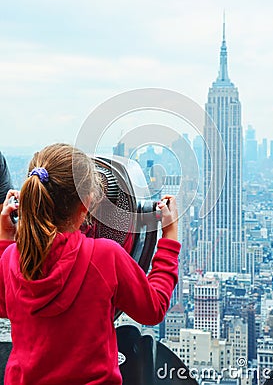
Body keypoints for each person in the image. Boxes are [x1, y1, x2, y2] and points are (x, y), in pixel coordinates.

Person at [0, 143, 180, 385]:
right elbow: (153, 308)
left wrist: (6, 241)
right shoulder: (106, 257)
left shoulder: (12, 258)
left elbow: (4, 305)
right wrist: (169, 238)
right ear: (87, 204)